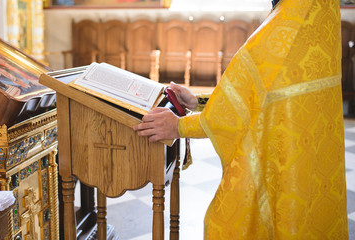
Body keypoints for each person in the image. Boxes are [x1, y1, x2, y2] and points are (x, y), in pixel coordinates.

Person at [133, 0, 349, 238]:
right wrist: (199, 102)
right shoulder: (322, 13)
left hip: (286, 162)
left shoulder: (290, 19)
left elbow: (245, 104)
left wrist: (178, 126)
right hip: (313, 161)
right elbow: (260, 94)